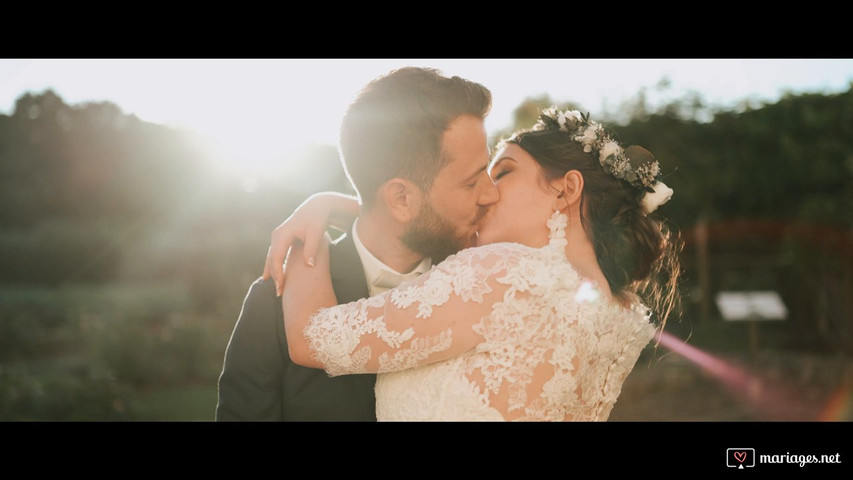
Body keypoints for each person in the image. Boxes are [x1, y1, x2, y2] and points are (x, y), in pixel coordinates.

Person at [267, 107, 681, 421]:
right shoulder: (619, 317)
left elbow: (310, 338)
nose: (485, 192)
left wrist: (313, 222)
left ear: (566, 189)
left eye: (502, 172)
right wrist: (351, 208)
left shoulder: (499, 275)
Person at [215, 67, 498, 421]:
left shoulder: (487, 284)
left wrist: (327, 202)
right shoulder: (275, 303)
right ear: (401, 199)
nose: (492, 193)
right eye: (472, 183)